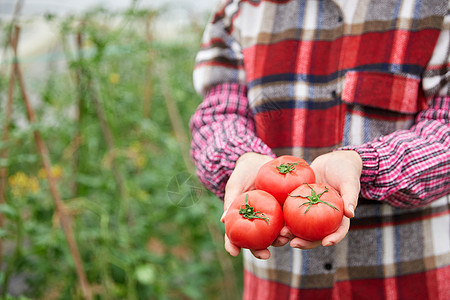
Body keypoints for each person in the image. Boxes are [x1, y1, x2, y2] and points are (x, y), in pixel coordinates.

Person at [189, 0, 450, 299]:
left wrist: (367, 165)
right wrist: (240, 159)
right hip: (280, 285)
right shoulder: (242, 8)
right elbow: (219, 113)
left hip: (409, 281)